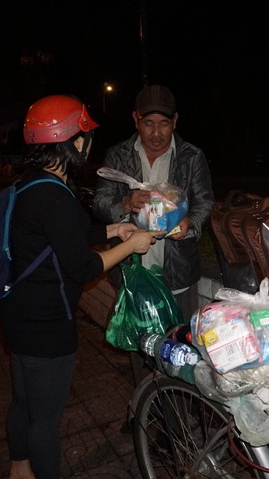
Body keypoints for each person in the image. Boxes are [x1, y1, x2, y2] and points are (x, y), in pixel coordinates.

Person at [0, 95, 162, 479]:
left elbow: (65, 237)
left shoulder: (31, 185)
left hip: (17, 314)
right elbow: (84, 266)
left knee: (23, 401)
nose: (88, 144)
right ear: (71, 141)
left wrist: (111, 229)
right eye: (84, 135)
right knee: (46, 418)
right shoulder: (55, 196)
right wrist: (130, 244)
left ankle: (19, 469)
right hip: (47, 325)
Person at [91, 84, 215, 381]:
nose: (156, 133)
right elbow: (99, 202)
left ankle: (176, 414)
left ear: (176, 121)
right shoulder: (119, 155)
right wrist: (125, 202)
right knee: (140, 346)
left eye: (163, 124)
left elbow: (204, 201)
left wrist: (190, 224)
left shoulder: (191, 156)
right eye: (148, 124)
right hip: (134, 271)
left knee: (180, 349)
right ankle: (145, 408)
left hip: (178, 272)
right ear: (135, 120)